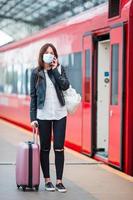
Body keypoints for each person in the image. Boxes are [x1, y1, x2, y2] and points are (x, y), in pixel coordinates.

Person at [30, 43, 70, 193]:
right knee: (45, 148)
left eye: (52, 53)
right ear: (42, 55)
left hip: (60, 113)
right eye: (47, 52)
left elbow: (65, 86)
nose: (49, 54)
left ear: (55, 56)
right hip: (43, 115)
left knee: (59, 148)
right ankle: (47, 180)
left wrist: (55, 71)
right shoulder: (36, 73)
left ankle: (59, 181)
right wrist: (33, 118)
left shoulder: (59, 69)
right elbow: (33, 97)